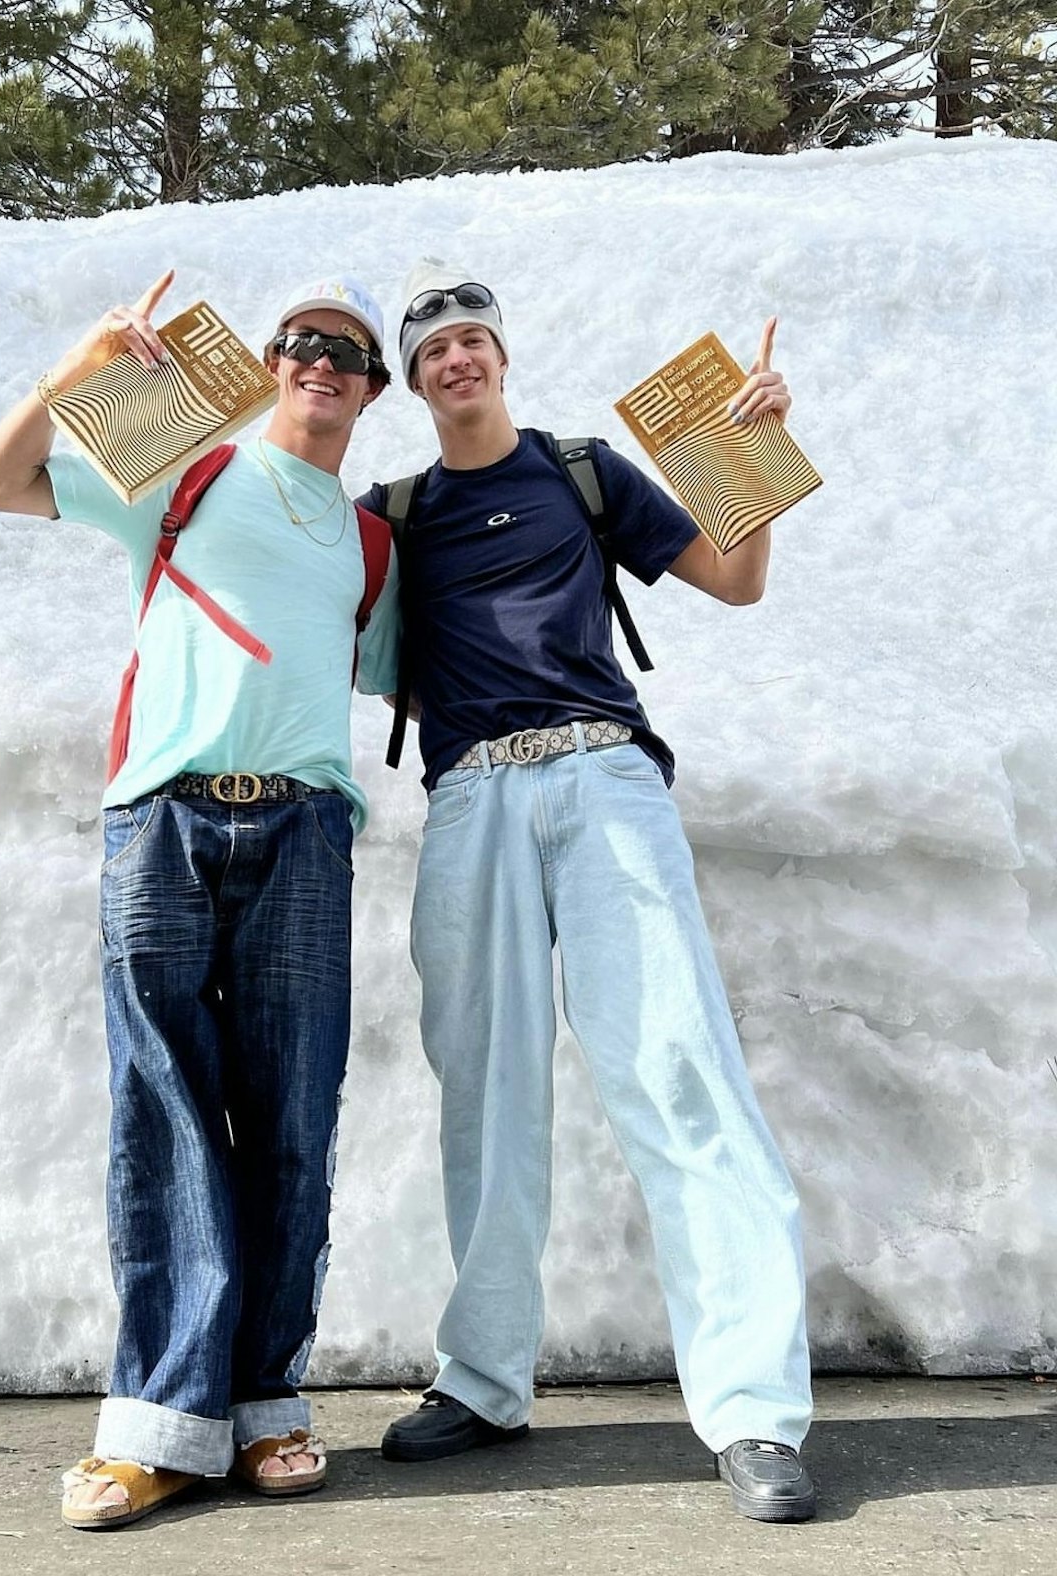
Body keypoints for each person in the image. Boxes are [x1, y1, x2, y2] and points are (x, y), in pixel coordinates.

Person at [356, 262, 817, 1523]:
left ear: (501, 357)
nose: (456, 359)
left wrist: (750, 457)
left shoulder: (584, 470)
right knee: (486, 1089)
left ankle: (754, 1412)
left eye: (471, 340)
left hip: (601, 772)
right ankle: (486, 1378)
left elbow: (736, 577)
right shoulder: (387, 511)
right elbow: (307, 611)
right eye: (432, 348)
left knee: (678, 1069)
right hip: (467, 797)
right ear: (412, 380)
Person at [0, 271, 398, 1530]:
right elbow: (0, 482)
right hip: (161, 817)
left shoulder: (370, 542)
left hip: (306, 831)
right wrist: (78, 366)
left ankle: (265, 1407)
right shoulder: (187, 471)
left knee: (291, 1119)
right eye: (303, 342)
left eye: (348, 353)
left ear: (371, 389)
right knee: (162, 1109)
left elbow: (439, 658)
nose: (322, 363)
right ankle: (158, 1425)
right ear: (272, 362)